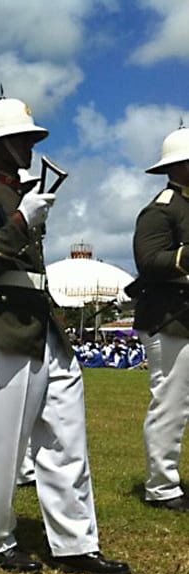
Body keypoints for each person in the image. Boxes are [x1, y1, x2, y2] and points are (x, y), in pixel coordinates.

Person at [0, 95, 129, 574]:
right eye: (21, 138)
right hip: (4, 326)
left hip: (42, 325)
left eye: (30, 138)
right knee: (4, 443)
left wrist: (27, 215)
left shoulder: (15, 195)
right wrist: (23, 222)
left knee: (67, 438)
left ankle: (74, 543)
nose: (29, 145)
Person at [131, 124, 189, 512]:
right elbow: (148, 261)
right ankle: (162, 486)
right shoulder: (161, 209)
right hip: (168, 317)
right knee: (171, 401)